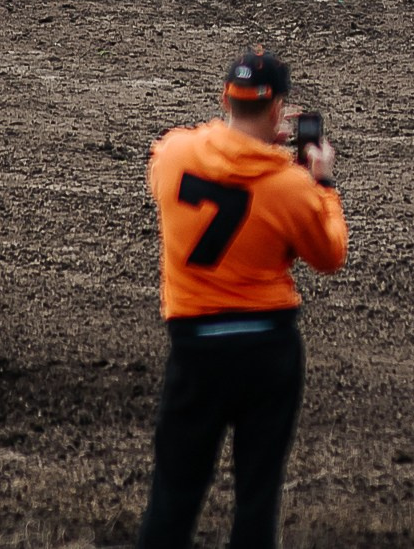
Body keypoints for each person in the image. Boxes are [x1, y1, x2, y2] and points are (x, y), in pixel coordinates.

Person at [135, 51, 345, 549]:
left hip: (196, 349)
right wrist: (323, 183)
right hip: (266, 350)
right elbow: (329, 255)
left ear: (224, 98)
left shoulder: (172, 155)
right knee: (257, 495)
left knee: (174, 492)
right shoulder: (291, 187)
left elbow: (199, 158)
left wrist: (249, 145)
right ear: (279, 110)